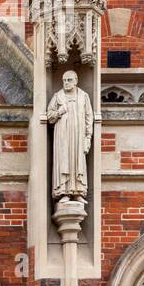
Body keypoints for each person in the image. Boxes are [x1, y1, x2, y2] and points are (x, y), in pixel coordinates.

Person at [45, 70, 93, 200]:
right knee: (64, 160)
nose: (66, 83)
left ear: (76, 81)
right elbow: (49, 117)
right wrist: (60, 111)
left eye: (69, 80)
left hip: (79, 135)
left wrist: (88, 137)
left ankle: (78, 192)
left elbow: (89, 117)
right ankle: (64, 192)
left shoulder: (84, 96)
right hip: (62, 136)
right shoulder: (58, 96)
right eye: (64, 80)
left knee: (78, 161)